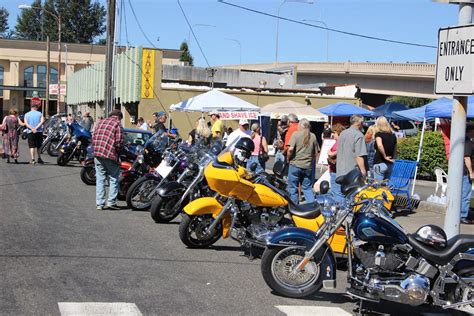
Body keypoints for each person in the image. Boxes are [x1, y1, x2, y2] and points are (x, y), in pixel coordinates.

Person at [92, 109, 124, 211]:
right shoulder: (117, 124)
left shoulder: (101, 122)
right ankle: (111, 202)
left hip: (97, 154)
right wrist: (119, 153)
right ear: (119, 117)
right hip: (110, 155)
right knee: (114, 178)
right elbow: (119, 142)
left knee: (100, 179)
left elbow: (93, 136)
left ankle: (99, 204)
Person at [287, 118, 320, 204]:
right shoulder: (313, 136)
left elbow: (290, 149)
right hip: (307, 166)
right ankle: (312, 207)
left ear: (300, 126)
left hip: (295, 164)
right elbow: (315, 153)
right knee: (307, 188)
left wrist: (288, 158)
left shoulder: (296, 135)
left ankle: (295, 208)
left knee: (292, 188)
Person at [336, 114, 367, 185]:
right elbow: (359, 155)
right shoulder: (359, 135)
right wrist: (363, 172)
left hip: (340, 171)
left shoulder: (343, 133)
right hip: (352, 173)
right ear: (360, 123)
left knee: (341, 194)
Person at [373, 117, 397, 181]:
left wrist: (384, 156)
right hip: (390, 164)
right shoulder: (393, 135)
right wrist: (393, 159)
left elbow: (380, 145)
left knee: (378, 186)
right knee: (386, 187)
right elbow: (395, 148)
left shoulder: (378, 134)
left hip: (380, 162)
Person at [327, 123, 344, 202]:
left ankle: (341, 210)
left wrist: (331, 153)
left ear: (337, 132)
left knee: (336, 193)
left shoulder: (340, 142)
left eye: (333, 132)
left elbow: (339, 150)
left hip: (336, 170)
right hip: (336, 170)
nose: (332, 135)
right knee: (336, 192)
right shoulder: (341, 141)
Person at [461, 127, 474, 224]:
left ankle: (463, 214)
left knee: (463, 194)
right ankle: (463, 215)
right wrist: (471, 172)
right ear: (470, 131)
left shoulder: (463, 141)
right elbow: (467, 158)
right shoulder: (468, 143)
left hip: (462, 172)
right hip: (466, 173)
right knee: (466, 195)